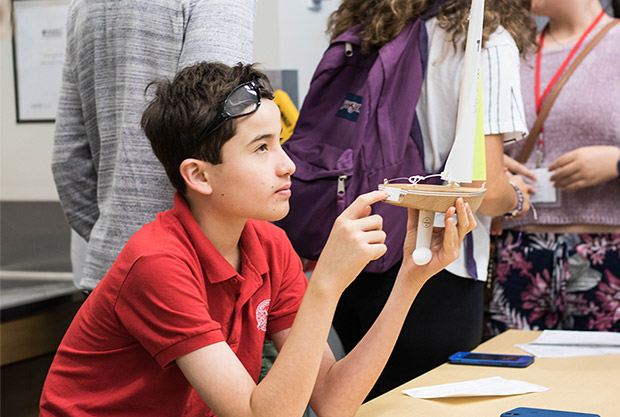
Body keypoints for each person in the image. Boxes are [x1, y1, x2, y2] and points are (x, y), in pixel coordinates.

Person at [39, 62, 476, 417]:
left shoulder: (269, 246)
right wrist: (327, 281)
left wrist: (411, 279)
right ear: (198, 175)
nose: (287, 165)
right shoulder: (157, 264)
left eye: (280, 143)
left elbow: (333, 402)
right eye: (261, 148)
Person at [326, 0, 537, 399]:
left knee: (365, 404)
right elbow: (485, 189)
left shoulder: (370, 25)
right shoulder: (483, 39)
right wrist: (518, 198)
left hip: (358, 256)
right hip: (435, 263)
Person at [51, 0, 257, 292]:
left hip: (111, 272)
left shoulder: (83, 5)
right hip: (194, 276)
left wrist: (122, 240)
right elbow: (220, 127)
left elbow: (67, 161)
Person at [486, 0, 620, 334]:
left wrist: (617, 162)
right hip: (518, 251)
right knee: (515, 376)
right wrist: (490, 161)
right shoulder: (510, 51)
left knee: (601, 381)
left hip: (608, 252)